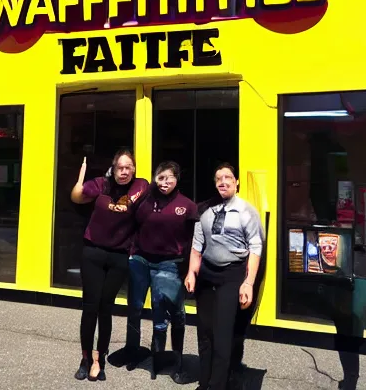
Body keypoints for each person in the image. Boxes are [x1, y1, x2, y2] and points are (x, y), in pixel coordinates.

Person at [109, 161, 198, 383]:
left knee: (166, 313)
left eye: (169, 177)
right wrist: (130, 251)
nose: (164, 182)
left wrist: (189, 269)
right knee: (135, 308)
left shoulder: (187, 206)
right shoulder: (144, 201)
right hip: (140, 260)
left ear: (177, 178)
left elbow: (196, 240)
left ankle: (173, 360)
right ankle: (132, 351)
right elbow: (129, 222)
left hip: (169, 264)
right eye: (160, 177)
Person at [70, 149, 148, 382]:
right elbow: (79, 195)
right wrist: (78, 185)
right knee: (90, 306)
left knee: (106, 308)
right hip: (93, 252)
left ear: (133, 169)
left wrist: (123, 203)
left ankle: (98, 360)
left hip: (119, 257)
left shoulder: (140, 186)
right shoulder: (101, 184)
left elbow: (131, 200)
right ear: (113, 169)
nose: (124, 172)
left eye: (128, 168)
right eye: (120, 168)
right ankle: (85, 359)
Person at [185, 163, 264, 390]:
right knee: (205, 332)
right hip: (208, 273)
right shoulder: (206, 211)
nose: (223, 181)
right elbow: (197, 245)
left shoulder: (247, 212)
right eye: (219, 178)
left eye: (228, 177)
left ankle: (219, 384)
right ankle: (204, 382)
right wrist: (192, 272)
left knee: (222, 334)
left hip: (233, 274)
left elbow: (256, 247)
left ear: (236, 182)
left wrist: (248, 283)